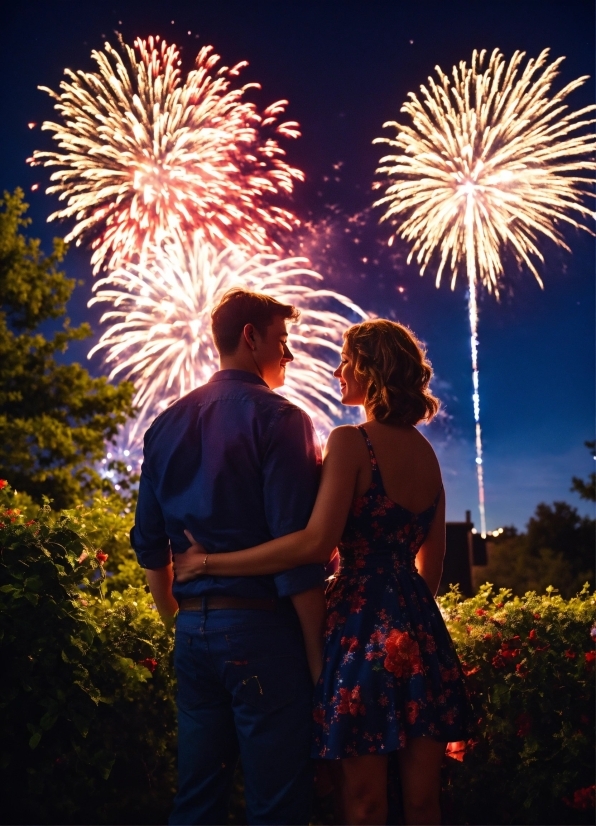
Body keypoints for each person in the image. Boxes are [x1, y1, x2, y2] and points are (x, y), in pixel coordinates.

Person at [175, 318, 474, 826]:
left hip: (358, 633)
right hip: (421, 631)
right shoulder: (427, 455)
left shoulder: (353, 442)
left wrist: (208, 562)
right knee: (424, 802)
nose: (337, 370)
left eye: (346, 360)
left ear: (372, 370)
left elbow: (314, 544)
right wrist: (404, 620)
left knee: (362, 803)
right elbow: (434, 564)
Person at [130, 288, 327, 826]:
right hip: (263, 633)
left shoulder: (164, 425)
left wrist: (183, 622)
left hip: (194, 635)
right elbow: (298, 551)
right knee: (278, 805)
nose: (288, 356)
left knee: (195, 801)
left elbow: (149, 544)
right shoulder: (281, 419)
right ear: (250, 336)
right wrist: (317, 659)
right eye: (282, 341)